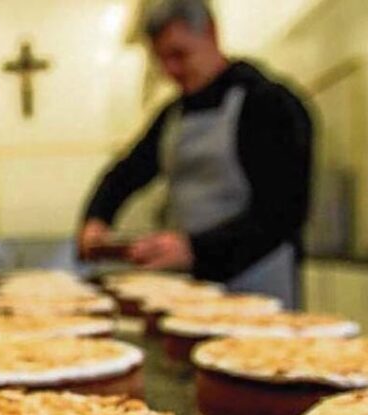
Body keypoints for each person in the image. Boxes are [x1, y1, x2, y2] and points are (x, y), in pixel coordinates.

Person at [78, 0, 312, 308]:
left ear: (211, 34)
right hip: (193, 289)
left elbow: (283, 212)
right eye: (161, 59)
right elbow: (126, 173)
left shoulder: (270, 104)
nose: (171, 70)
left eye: (179, 54)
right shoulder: (171, 116)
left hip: (258, 283)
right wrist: (96, 218)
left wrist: (198, 249)